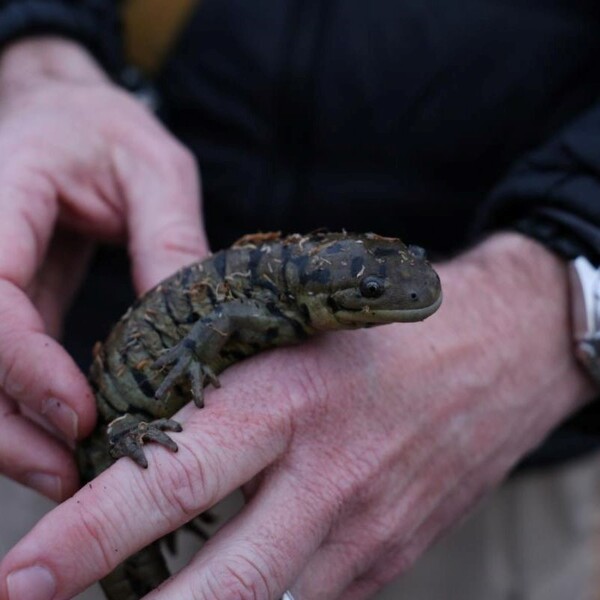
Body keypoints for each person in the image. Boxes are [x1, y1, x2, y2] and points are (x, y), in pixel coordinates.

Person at [0, 1, 599, 599]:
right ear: (328, 296)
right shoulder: (274, 303)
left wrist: (561, 283)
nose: (407, 295)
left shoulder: (299, 294)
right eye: (371, 295)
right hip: (71, 395)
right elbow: (228, 318)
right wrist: (35, 47)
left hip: (496, 441)